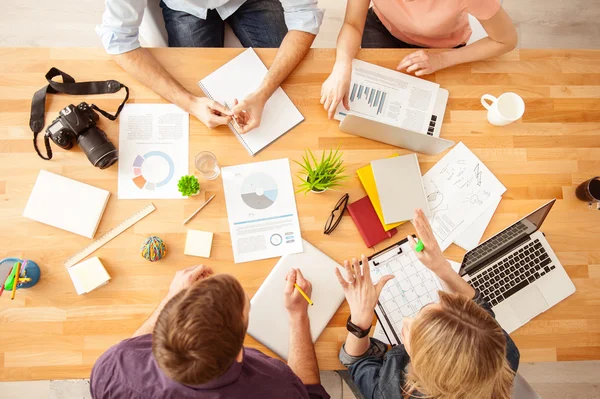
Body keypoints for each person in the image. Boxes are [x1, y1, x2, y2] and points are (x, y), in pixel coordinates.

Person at [334, 209, 520, 399]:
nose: (406, 320)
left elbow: (356, 362)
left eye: (412, 334)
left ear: (417, 367)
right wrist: (442, 268)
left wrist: (359, 319)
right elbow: (479, 309)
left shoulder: (391, 392)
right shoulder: (502, 355)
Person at [90, 265, 329, 399]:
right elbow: (312, 395)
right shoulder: (279, 386)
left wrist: (172, 299)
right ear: (239, 354)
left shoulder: (113, 368)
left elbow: (132, 349)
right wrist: (298, 316)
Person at [97, 0, 323, 132]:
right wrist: (190, 103)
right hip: (185, 6)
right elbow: (118, 40)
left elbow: (304, 15)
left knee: (291, 83)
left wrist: (264, 92)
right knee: (202, 97)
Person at [320, 0, 518, 118]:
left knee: (428, 114)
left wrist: (441, 60)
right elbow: (353, 24)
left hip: (441, 48)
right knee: (372, 110)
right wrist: (342, 65)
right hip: (383, 28)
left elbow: (506, 40)